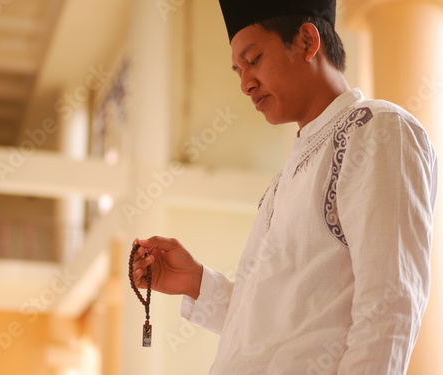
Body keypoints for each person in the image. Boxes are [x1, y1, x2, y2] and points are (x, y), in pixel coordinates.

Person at [130, 0, 438, 374]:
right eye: (238, 71)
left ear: (308, 42)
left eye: (254, 59)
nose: (245, 84)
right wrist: (196, 282)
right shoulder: (284, 180)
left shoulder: (377, 130)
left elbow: (389, 307)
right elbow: (275, 332)